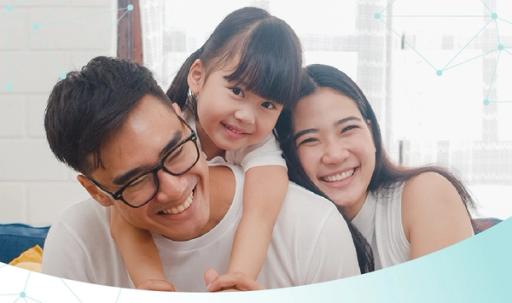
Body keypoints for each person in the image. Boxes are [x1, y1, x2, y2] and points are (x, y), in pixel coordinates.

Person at [41, 56, 361, 291]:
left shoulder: (313, 227)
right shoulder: (76, 242)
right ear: (97, 192)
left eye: (175, 151)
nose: (174, 188)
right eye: (137, 180)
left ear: (181, 118)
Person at [107, 6, 305, 290]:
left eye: (268, 105)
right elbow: (123, 214)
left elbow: (260, 215)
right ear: (197, 76)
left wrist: (238, 278)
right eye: (237, 91)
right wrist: (150, 284)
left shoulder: (261, 147)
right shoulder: (171, 125)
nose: (247, 116)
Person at [275, 64, 475, 270]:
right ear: (289, 155)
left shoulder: (425, 193)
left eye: (348, 129)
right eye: (310, 140)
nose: (335, 155)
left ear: (370, 130)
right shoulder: (290, 234)